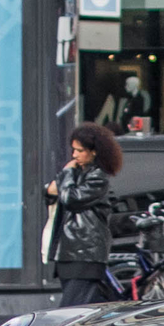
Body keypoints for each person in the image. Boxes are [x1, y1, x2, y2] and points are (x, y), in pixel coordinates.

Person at [45, 122, 121, 307]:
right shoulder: (80, 173)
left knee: (71, 310)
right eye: (74, 150)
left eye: (79, 150)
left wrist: (67, 172)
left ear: (94, 151)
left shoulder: (98, 177)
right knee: (83, 309)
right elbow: (50, 191)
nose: (74, 155)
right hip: (69, 254)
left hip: (85, 254)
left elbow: (70, 198)